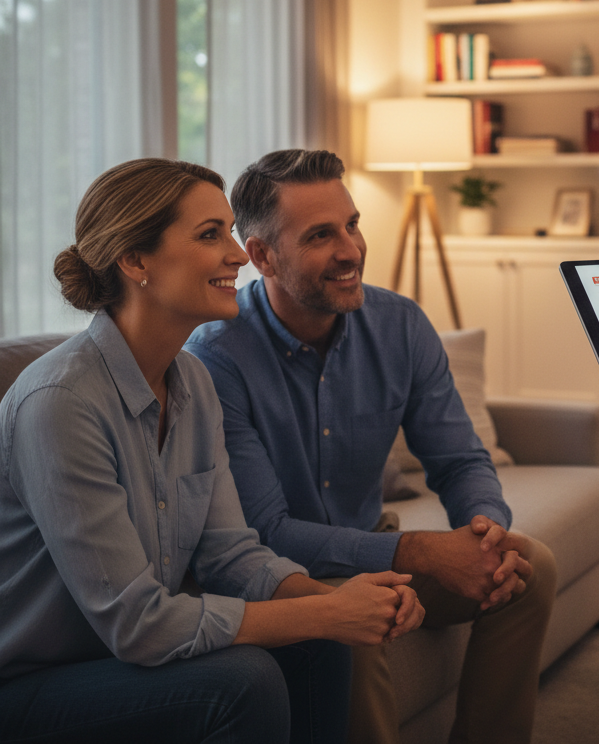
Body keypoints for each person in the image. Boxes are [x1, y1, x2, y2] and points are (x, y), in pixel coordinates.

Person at [0, 158, 424, 744]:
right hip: (36, 683)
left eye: (229, 230)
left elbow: (233, 556)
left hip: (122, 661)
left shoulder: (194, 382)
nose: (239, 254)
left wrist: (345, 601)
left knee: (321, 642)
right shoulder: (62, 402)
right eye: (210, 235)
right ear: (135, 261)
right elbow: (137, 624)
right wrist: (326, 610)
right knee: (244, 679)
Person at [186, 148, 557, 744]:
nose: (351, 250)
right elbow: (266, 531)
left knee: (528, 566)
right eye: (320, 235)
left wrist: (485, 530)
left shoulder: (400, 325)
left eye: (353, 225)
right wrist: (424, 553)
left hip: (369, 545)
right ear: (261, 256)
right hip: (282, 577)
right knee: (347, 630)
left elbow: (459, 459)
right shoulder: (216, 356)